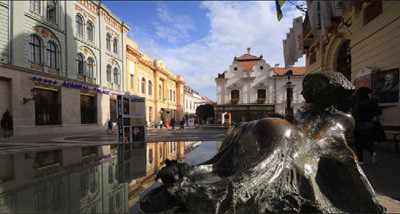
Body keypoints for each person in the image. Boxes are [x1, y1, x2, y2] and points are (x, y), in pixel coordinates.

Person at [352, 87, 382, 164]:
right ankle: (372, 152)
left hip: (359, 125)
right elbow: (378, 112)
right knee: (368, 141)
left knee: (358, 143)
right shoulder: (372, 102)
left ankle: (361, 160)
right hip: (370, 124)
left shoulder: (358, 102)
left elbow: (354, 114)